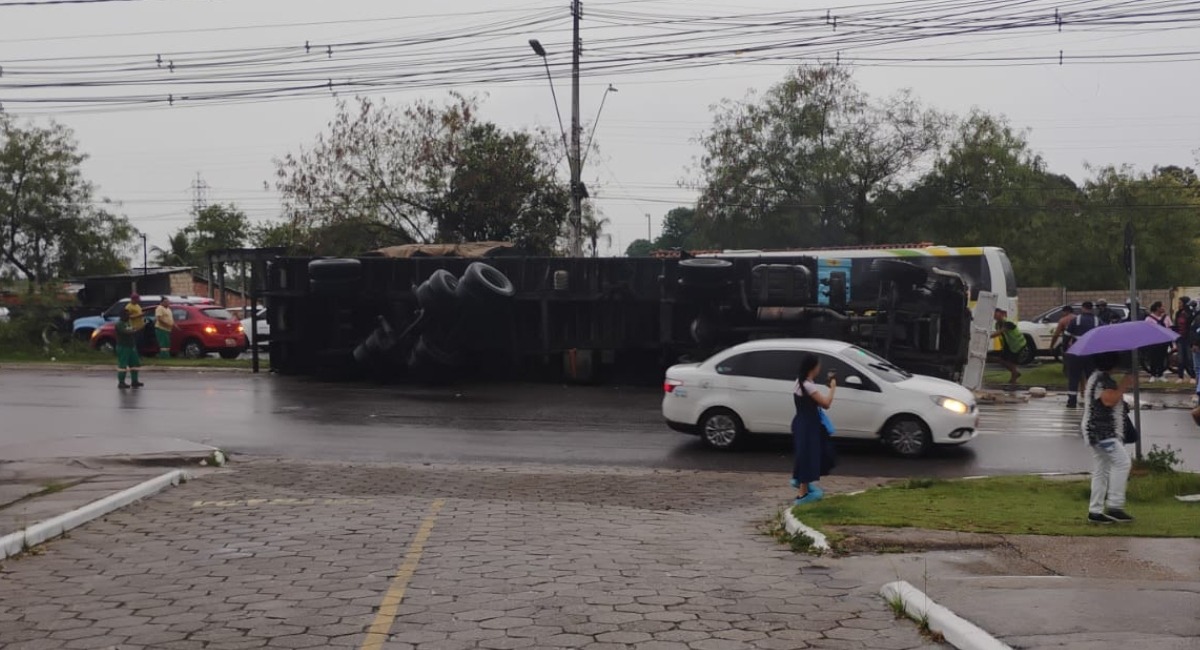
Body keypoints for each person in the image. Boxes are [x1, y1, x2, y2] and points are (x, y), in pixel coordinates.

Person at [1081, 352, 1134, 524]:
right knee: (1122, 462)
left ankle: (1095, 511)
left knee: (1102, 470)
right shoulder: (1102, 380)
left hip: (1097, 430)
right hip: (1102, 432)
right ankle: (1115, 506)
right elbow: (1108, 400)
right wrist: (1125, 384)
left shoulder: (1097, 378)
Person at [791, 354, 836, 505]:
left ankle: (800, 484)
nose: (819, 368)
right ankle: (802, 494)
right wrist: (833, 388)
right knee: (808, 456)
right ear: (813, 368)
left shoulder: (800, 382)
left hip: (801, 422)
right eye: (818, 366)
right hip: (809, 425)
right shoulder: (808, 386)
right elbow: (826, 404)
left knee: (805, 454)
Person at [1062, 302, 1099, 408]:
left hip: (1076, 353)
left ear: (1082, 308)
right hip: (1091, 353)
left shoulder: (1076, 320)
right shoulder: (1097, 321)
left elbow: (1066, 336)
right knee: (1091, 378)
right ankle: (1092, 401)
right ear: (1092, 309)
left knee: (1074, 377)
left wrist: (1065, 349)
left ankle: (1072, 401)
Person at [989, 308, 1024, 385]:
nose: (995, 316)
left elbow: (999, 332)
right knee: (1002, 360)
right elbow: (1001, 335)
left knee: (1012, 362)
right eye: (993, 314)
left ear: (1001, 314)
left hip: (1017, 344)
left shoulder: (1008, 322)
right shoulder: (997, 324)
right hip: (1008, 344)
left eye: (996, 313)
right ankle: (1015, 373)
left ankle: (1013, 381)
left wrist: (987, 336)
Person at [1143, 301, 1171, 382]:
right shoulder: (1149, 319)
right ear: (1157, 308)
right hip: (1153, 342)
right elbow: (1146, 330)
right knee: (1153, 358)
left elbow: (1170, 327)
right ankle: (1153, 374)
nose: (1163, 308)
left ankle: (1161, 374)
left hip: (1164, 341)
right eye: (1162, 306)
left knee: (1162, 358)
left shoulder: (1166, 317)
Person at [115, 311, 144, 389]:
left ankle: (134, 381)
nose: (128, 317)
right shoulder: (119, 324)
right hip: (123, 346)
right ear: (122, 316)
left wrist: (140, 327)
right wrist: (135, 331)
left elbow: (132, 329)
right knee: (123, 365)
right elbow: (126, 332)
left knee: (135, 364)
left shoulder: (128, 323)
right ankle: (121, 382)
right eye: (127, 315)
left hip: (131, 346)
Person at [1174, 297, 1194, 382]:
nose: (1179, 305)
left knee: (1189, 358)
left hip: (1188, 338)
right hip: (1180, 337)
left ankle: (1192, 376)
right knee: (1180, 358)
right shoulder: (1178, 313)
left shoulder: (1190, 313)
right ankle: (1180, 376)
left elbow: (1191, 325)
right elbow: (1176, 325)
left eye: (1180, 303)